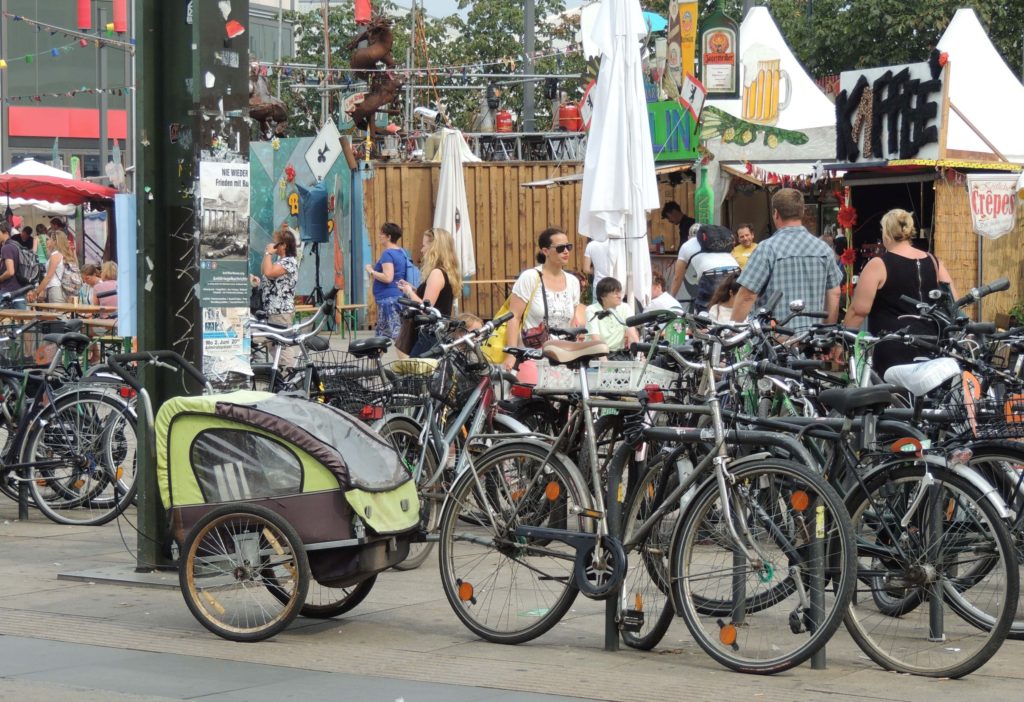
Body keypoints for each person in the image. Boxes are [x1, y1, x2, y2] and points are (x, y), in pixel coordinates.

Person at [843, 208, 956, 376]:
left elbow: (858, 310)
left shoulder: (878, 264)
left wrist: (843, 341)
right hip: (931, 343)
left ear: (886, 233)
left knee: (894, 398)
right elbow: (953, 302)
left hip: (892, 346)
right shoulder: (933, 261)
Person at [731, 188, 842, 331]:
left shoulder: (767, 249)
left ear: (776, 213)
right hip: (812, 341)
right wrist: (826, 334)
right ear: (802, 212)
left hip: (775, 343)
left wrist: (731, 332)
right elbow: (834, 294)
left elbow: (747, 296)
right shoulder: (824, 249)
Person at [502, 227, 585, 370]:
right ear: (545, 251)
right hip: (532, 357)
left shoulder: (573, 282)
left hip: (563, 357)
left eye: (568, 247)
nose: (566, 251)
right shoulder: (530, 277)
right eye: (560, 248)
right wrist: (511, 353)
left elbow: (571, 322)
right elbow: (514, 317)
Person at [396, 227, 460, 357]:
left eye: (424, 245)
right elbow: (437, 299)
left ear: (434, 248)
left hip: (430, 333)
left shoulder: (436, 273)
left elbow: (426, 308)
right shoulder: (446, 272)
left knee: (414, 373)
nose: (422, 249)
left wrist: (409, 292)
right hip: (438, 331)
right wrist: (414, 289)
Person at [254, 228, 299, 367]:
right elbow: (264, 271)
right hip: (271, 310)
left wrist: (268, 252)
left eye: (276, 242)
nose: (273, 244)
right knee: (274, 346)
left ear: (284, 245)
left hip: (281, 312)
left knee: (283, 348)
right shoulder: (280, 261)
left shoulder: (289, 262)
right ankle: (280, 375)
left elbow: (269, 272)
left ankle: (289, 378)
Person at [365, 222, 407, 340]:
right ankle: (375, 358)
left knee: (396, 337)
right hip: (398, 297)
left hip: (388, 301)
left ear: (389, 237)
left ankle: (406, 359)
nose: (379, 235)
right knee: (382, 336)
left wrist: (371, 271)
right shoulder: (402, 253)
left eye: (382, 233)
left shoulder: (387, 253)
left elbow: (388, 277)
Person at [585, 277, 639, 353]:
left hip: (618, 354)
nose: (620, 296)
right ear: (603, 296)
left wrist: (641, 356)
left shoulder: (625, 307)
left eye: (620, 292)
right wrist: (605, 363)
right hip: (596, 354)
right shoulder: (592, 310)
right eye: (615, 293)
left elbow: (632, 333)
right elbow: (596, 340)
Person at [33, 231, 77, 303]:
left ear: (55, 241)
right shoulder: (64, 254)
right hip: (65, 290)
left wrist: (36, 292)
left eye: (49, 239)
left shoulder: (55, 256)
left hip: (55, 289)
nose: (47, 241)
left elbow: (48, 277)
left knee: (56, 313)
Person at [670, 222, 702, 306]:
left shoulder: (686, 246)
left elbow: (677, 277)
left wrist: (671, 298)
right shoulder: (710, 244)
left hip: (693, 281)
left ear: (688, 237)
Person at [0, 223, 27, 309]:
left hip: (8, 289)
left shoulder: (6, 248)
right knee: (22, 320)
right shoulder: (16, 245)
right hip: (20, 289)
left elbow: (10, 271)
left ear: (5, 233)